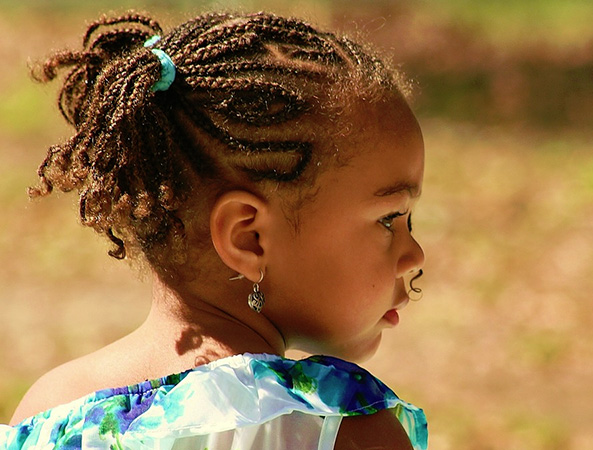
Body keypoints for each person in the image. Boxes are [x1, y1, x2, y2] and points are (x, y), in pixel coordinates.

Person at [2, 10, 428, 449]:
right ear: (248, 238)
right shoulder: (338, 431)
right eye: (389, 219)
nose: (415, 254)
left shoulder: (48, 413)